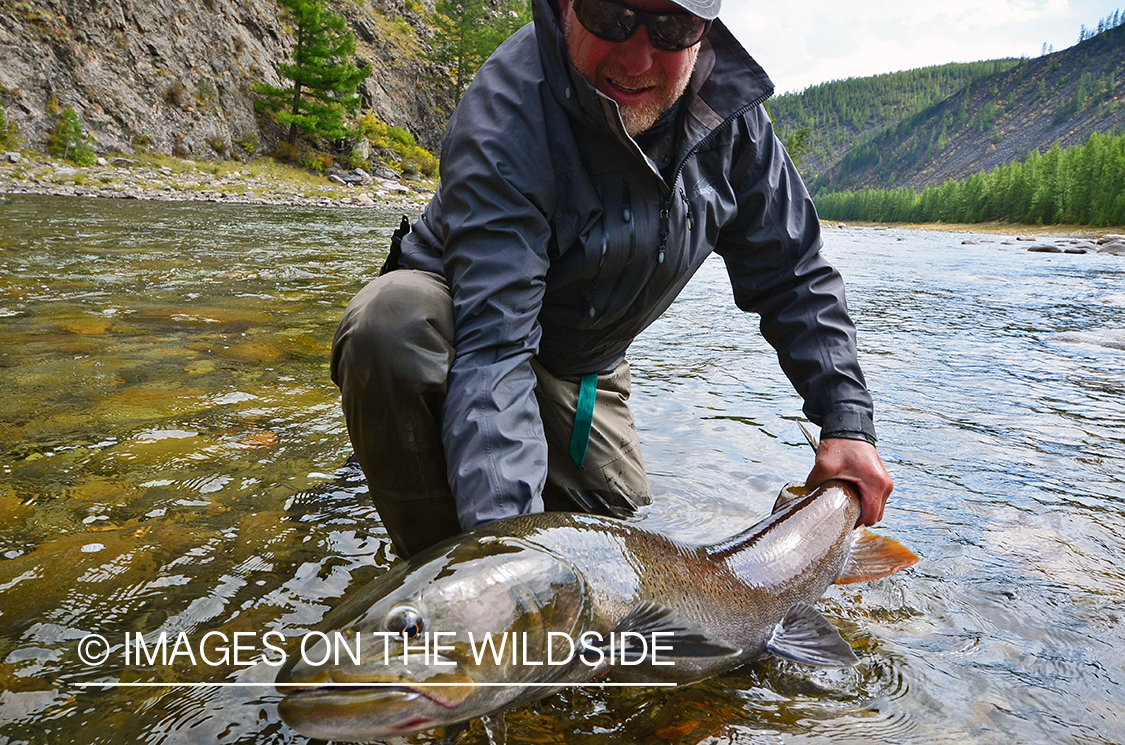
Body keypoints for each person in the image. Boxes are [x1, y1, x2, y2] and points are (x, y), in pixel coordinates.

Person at [331, 0, 894, 559]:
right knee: (391, 323)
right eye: (610, 16)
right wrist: (505, 569)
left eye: (671, 28)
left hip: (584, 365)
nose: (636, 60)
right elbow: (495, 353)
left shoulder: (729, 121)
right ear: (565, 7)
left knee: (626, 554)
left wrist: (846, 423)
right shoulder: (508, 113)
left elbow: (793, 274)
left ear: (703, 32)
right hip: (467, 328)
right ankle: (435, 572)